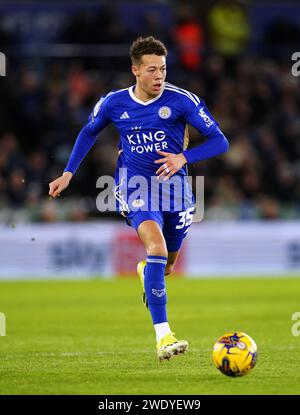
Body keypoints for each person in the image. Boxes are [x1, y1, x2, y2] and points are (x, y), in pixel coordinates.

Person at [49, 36, 229, 361]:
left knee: (167, 265)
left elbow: (220, 142)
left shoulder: (182, 101)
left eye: (162, 69)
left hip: (176, 191)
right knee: (156, 248)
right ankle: (164, 336)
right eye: (151, 70)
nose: (159, 76)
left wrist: (182, 158)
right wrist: (68, 172)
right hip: (135, 186)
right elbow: (89, 131)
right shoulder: (114, 103)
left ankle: (149, 271)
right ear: (135, 70)